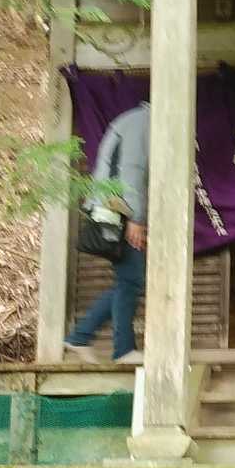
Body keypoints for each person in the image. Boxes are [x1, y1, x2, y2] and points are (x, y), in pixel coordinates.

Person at [65, 100, 150, 362]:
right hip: (117, 210)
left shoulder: (133, 119)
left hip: (112, 208)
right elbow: (131, 172)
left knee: (128, 280)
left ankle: (80, 337)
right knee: (131, 281)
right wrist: (136, 218)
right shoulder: (142, 123)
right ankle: (122, 350)